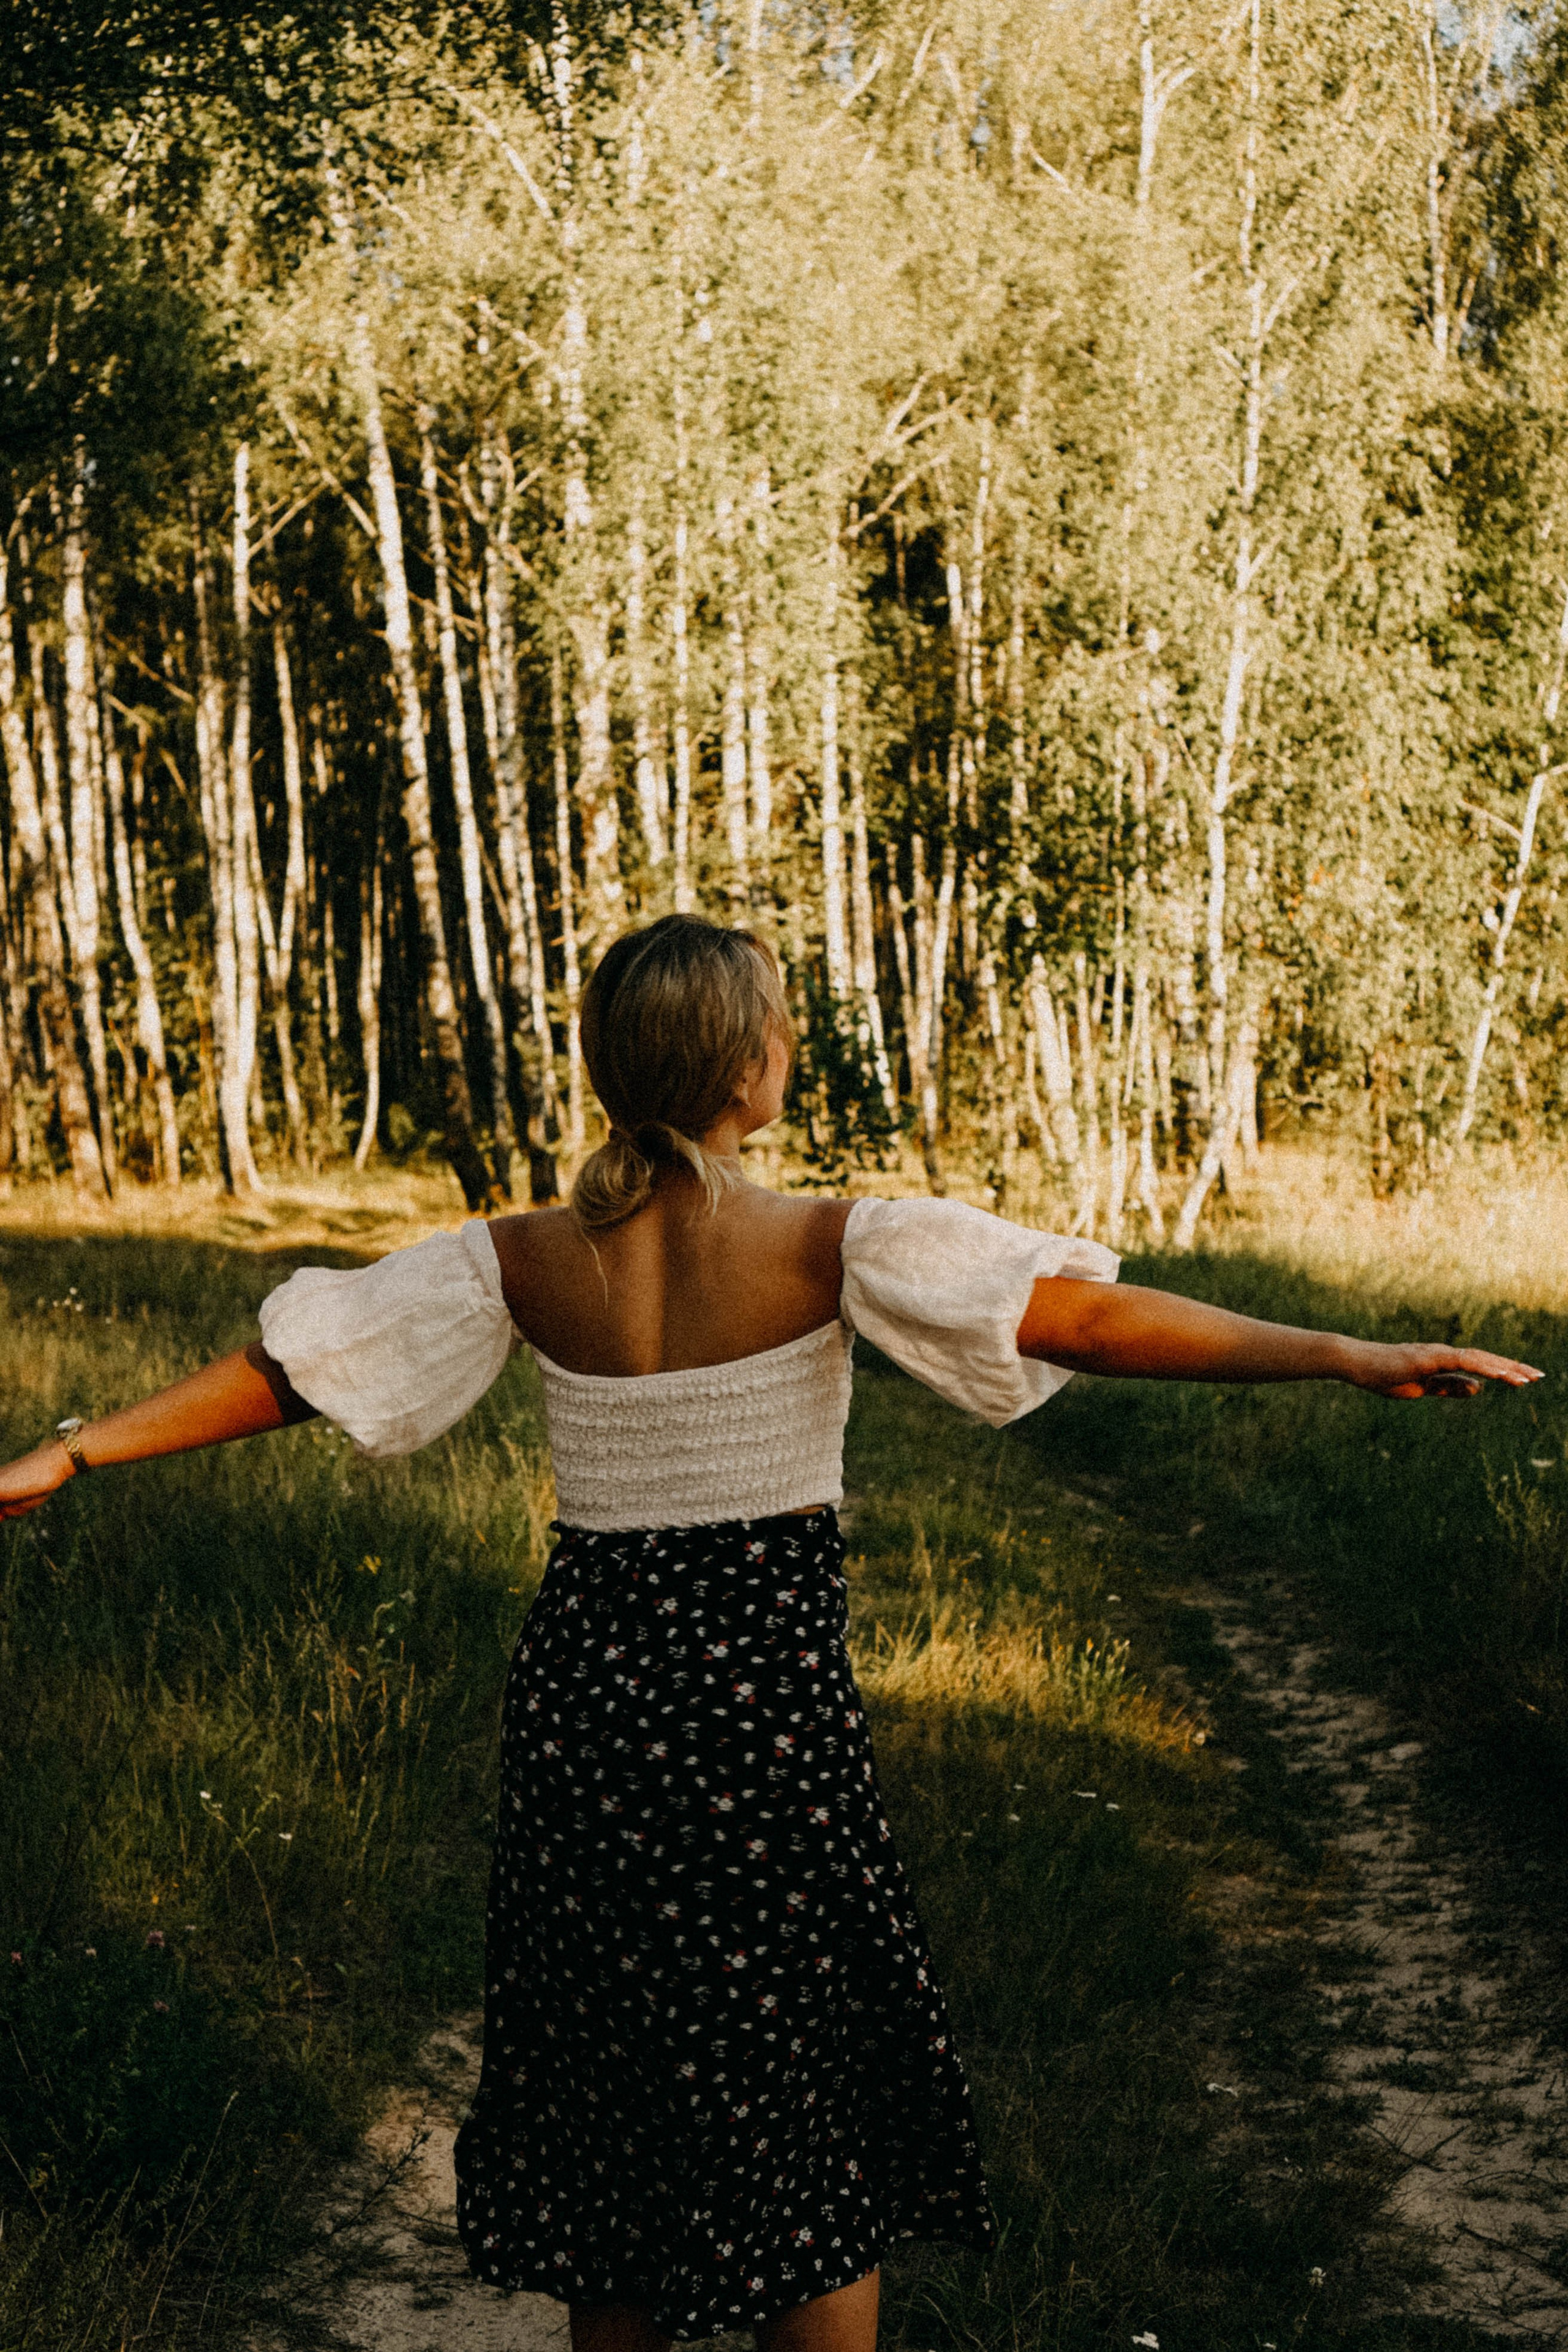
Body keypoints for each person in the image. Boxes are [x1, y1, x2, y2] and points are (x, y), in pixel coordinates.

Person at [0, 914, 1540, 2352]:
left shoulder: (517, 1257)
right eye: (783, 1033)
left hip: (589, 1707)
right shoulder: (829, 1240)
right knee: (791, 2072)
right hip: (758, 1712)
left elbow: (288, 1376)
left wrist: (75, 1450)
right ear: (749, 1069)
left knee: (606, 2067)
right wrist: (1342, 1350)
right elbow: (1085, 1324)